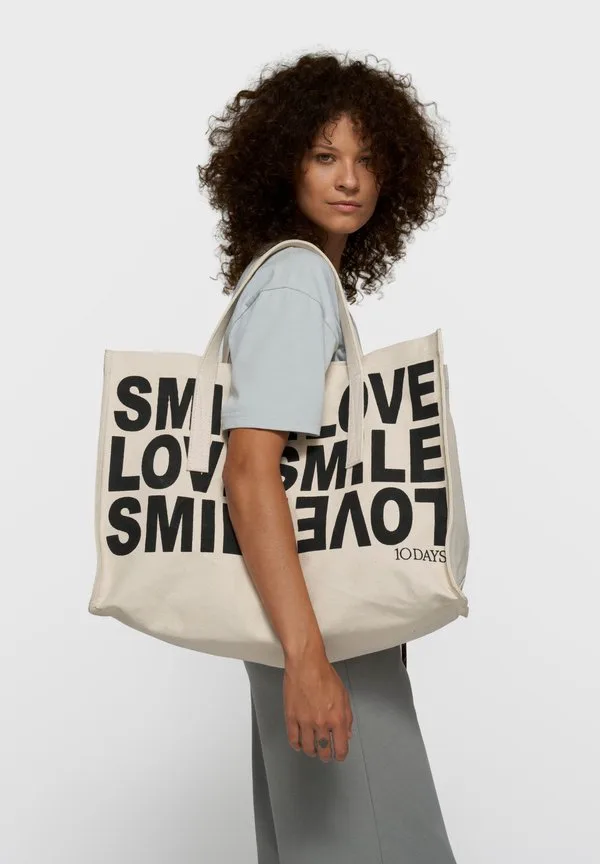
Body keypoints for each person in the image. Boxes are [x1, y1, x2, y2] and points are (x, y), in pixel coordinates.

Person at [197, 51, 457, 864]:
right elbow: (250, 469)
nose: (350, 179)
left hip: (308, 631)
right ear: (283, 167)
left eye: (367, 159)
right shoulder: (296, 282)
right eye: (323, 155)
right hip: (323, 636)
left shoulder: (296, 280)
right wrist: (309, 661)